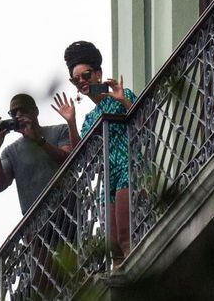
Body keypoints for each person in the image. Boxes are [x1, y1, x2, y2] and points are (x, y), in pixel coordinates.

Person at [51, 41, 137, 265]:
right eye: (75, 79)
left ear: (98, 73)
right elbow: (80, 157)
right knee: (113, 246)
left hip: (126, 167)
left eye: (85, 75)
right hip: (107, 177)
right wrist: (71, 122)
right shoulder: (89, 119)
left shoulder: (122, 95)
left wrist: (123, 101)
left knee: (125, 235)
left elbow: (144, 120)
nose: (81, 82)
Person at [0, 93, 71, 215]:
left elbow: (68, 161)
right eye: (13, 113)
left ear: (35, 111)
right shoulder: (9, 152)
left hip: (67, 211)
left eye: (23, 110)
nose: (18, 115)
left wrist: (38, 139)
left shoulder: (60, 130)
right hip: (35, 226)